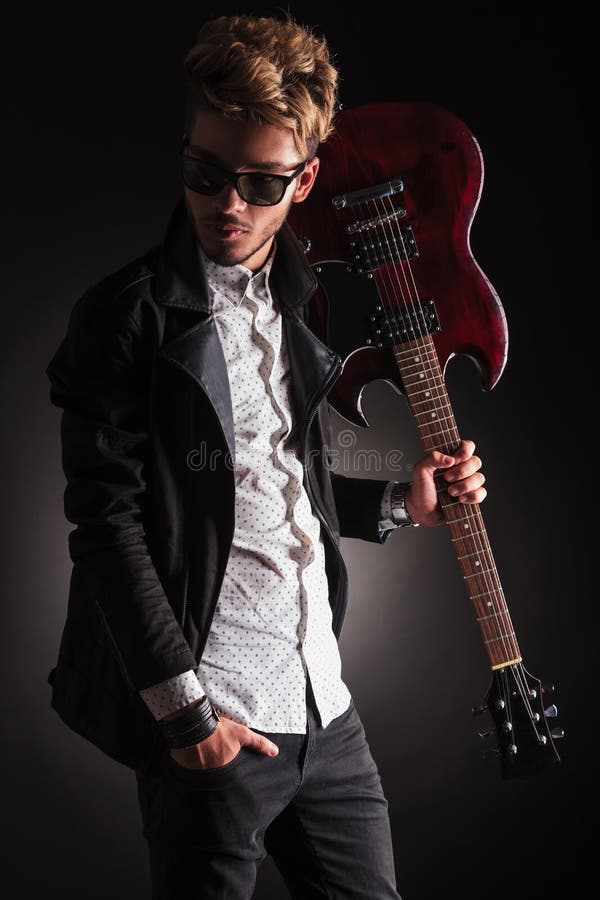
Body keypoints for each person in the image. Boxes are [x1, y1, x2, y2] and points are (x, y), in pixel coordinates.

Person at [45, 13, 487, 900]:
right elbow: (107, 528)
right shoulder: (124, 318)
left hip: (326, 709)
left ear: (306, 179)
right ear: (185, 151)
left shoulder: (301, 297)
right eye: (206, 174)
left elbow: (283, 480)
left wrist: (403, 502)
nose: (229, 205)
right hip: (216, 725)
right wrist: (186, 719)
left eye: (260, 181)